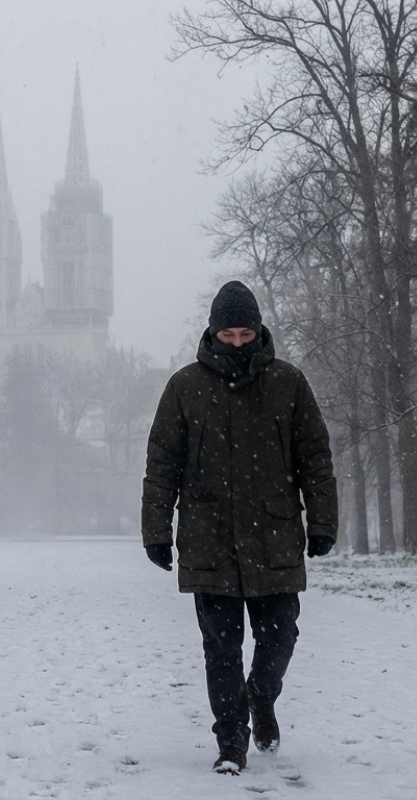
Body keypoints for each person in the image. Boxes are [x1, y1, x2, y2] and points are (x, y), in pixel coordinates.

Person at [141, 280, 338, 775]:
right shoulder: (184, 388)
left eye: (245, 333)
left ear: (258, 331)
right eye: (227, 334)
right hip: (209, 541)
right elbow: (162, 464)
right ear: (213, 332)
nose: (236, 343)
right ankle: (231, 741)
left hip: (274, 538)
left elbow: (315, 457)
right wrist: (157, 531)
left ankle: (261, 696)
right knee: (220, 649)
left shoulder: (289, 384)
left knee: (280, 639)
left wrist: (323, 521)